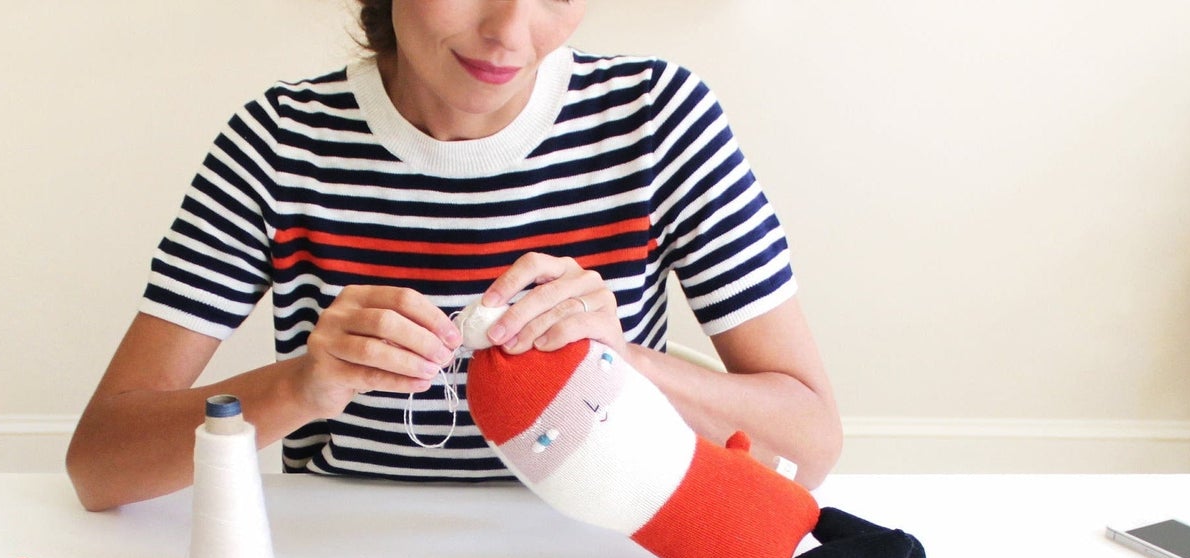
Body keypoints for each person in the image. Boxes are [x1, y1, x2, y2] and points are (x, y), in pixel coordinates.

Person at [66, 0, 842, 512]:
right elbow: (99, 465)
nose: (510, 30)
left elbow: (808, 444)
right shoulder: (280, 142)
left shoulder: (658, 120)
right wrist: (299, 387)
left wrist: (625, 364)